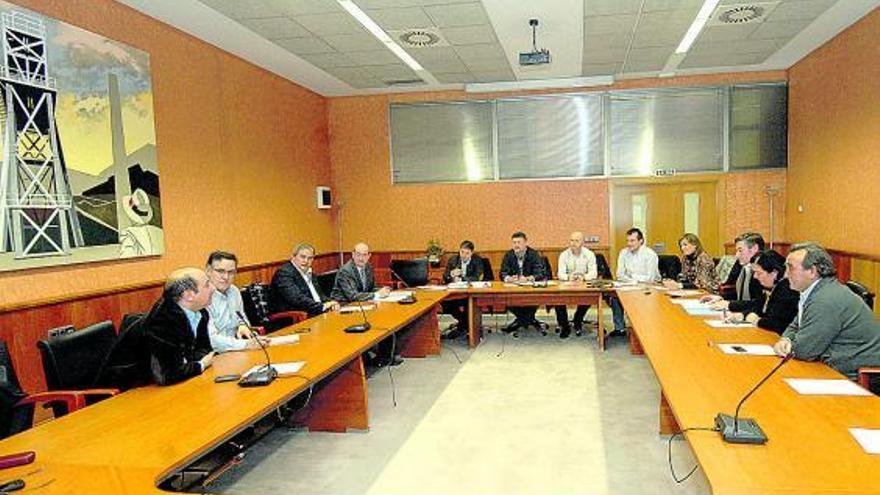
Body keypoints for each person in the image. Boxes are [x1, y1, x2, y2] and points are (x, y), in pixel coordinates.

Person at [772, 243, 880, 380]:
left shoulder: (825, 299)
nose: (786, 274)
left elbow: (804, 351)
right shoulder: (816, 291)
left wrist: (789, 345)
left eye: (790, 268)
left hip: (858, 376)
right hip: (835, 367)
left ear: (812, 271)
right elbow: (795, 325)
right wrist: (785, 339)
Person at [143, 268, 215, 385]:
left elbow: (205, 350)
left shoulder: (201, 312)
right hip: (137, 388)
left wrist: (191, 363)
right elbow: (168, 374)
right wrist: (201, 364)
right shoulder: (161, 321)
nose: (213, 288)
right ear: (189, 295)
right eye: (207, 285)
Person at [331, 242, 400, 366]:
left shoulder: (368, 267)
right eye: (358, 255)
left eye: (364, 255)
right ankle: (374, 356)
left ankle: (386, 356)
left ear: (369, 256)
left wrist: (382, 290)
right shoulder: (346, 271)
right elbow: (352, 296)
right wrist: (377, 295)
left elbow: (370, 288)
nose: (361, 258)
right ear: (352, 255)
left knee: (386, 317)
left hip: (362, 304)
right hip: (345, 307)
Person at [205, 251, 270, 352]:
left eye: (231, 272)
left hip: (237, 348)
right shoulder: (203, 296)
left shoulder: (234, 291)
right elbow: (212, 340)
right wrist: (245, 344)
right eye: (220, 271)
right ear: (208, 270)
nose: (226, 277)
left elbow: (241, 317)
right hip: (215, 353)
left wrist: (242, 325)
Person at [722, 250, 798, 334]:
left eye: (759, 273)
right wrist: (743, 315)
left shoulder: (787, 290)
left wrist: (757, 320)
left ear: (774, 273)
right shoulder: (773, 286)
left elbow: (778, 323)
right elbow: (759, 305)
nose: (755, 277)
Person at [609, 228, 660, 336]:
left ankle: (642, 328)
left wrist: (632, 277)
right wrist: (633, 280)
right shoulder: (623, 252)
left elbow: (650, 278)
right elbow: (619, 274)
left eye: (632, 241)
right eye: (627, 241)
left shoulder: (650, 254)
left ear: (641, 241)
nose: (629, 244)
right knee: (615, 297)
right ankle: (620, 328)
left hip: (648, 287)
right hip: (628, 285)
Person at [271, 243, 340, 317]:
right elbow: (297, 299)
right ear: (293, 257)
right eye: (302, 257)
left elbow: (319, 296)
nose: (306, 261)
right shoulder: (284, 273)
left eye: (310, 258)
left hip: (315, 312)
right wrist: (322, 306)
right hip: (294, 318)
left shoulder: (309, 272)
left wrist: (331, 302)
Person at [499, 231, 546, 336]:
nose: (516, 245)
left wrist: (529, 278)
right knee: (506, 299)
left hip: (531, 289)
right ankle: (528, 320)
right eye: (514, 242)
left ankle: (520, 321)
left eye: (519, 242)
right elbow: (502, 273)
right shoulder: (509, 255)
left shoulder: (534, 254)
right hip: (513, 288)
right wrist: (508, 278)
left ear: (525, 243)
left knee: (532, 300)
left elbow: (540, 273)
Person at [554, 231, 597, 338]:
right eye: (571, 240)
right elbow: (560, 273)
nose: (573, 243)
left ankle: (578, 319)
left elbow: (594, 273)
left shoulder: (589, 254)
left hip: (583, 284)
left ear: (582, 242)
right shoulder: (564, 255)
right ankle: (564, 326)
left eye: (576, 241)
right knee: (557, 298)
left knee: (589, 297)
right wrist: (569, 277)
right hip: (567, 284)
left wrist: (584, 277)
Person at [703, 232, 765, 307]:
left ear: (755, 248)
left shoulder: (763, 272)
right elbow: (738, 294)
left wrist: (730, 304)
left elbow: (758, 304)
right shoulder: (743, 267)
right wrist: (721, 297)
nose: (737, 255)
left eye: (740, 250)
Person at [441, 240, 485, 339]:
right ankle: (465, 324)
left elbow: (477, 277)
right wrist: (451, 275)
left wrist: (462, 279)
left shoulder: (477, 261)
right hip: (456, 292)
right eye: (462, 252)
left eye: (467, 253)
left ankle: (464, 326)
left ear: (472, 253)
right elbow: (445, 276)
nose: (463, 255)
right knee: (445, 303)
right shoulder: (453, 260)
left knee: (468, 303)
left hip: (472, 293)